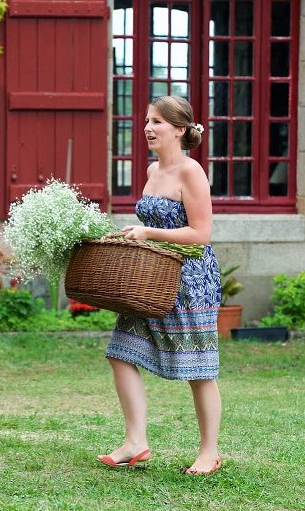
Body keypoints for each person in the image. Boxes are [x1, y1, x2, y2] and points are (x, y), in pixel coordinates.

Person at [97, 95, 222, 475]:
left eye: (158, 122)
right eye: (147, 120)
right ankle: (135, 441)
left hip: (190, 281)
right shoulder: (153, 172)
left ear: (180, 130)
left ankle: (209, 452)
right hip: (150, 280)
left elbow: (201, 234)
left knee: (199, 369)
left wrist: (148, 231)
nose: (148, 128)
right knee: (121, 353)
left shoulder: (191, 172)